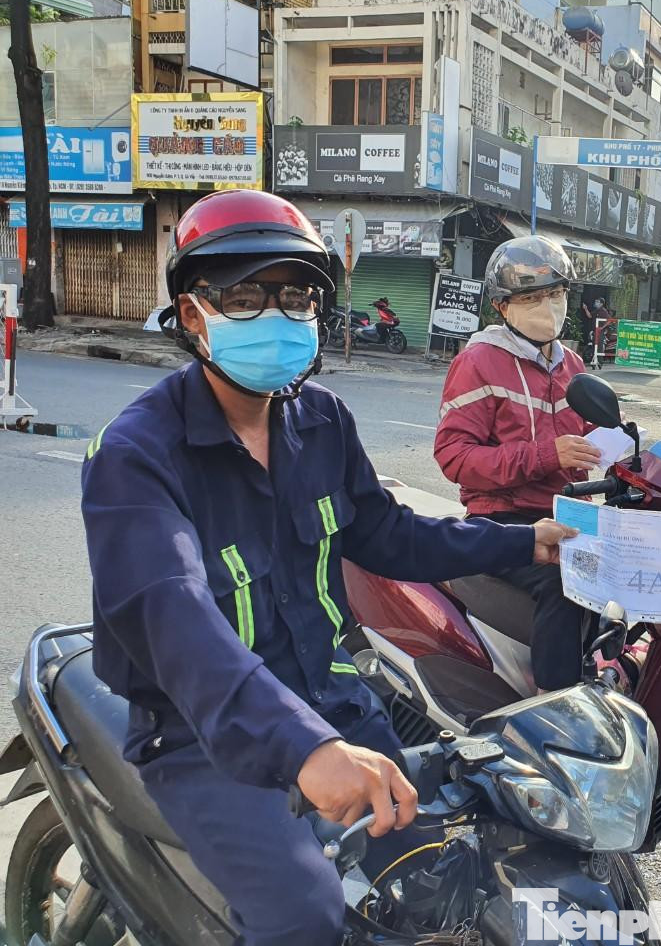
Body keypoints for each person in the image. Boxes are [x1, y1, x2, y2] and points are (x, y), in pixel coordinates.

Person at [81, 190, 574, 946]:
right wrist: (303, 747)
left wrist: (519, 542)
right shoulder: (136, 453)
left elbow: (390, 535)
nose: (276, 316)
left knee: (440, 884)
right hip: (203, 737)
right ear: (192, 315)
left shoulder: (322, 421)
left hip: (335, 703)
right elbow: (173, 618)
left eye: (296, 297)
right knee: (302, 917)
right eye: (244, 297)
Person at [434, 236, 606, 694]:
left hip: (569, 513)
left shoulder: (571, 364)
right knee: (563, 580)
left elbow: (592, 434)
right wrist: (548, 454)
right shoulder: (478, 362)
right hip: (503, 517)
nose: (547, 306)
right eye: (531, 298)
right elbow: (455, 457)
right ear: (502, 306)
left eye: (556, 293)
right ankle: (557, 703)